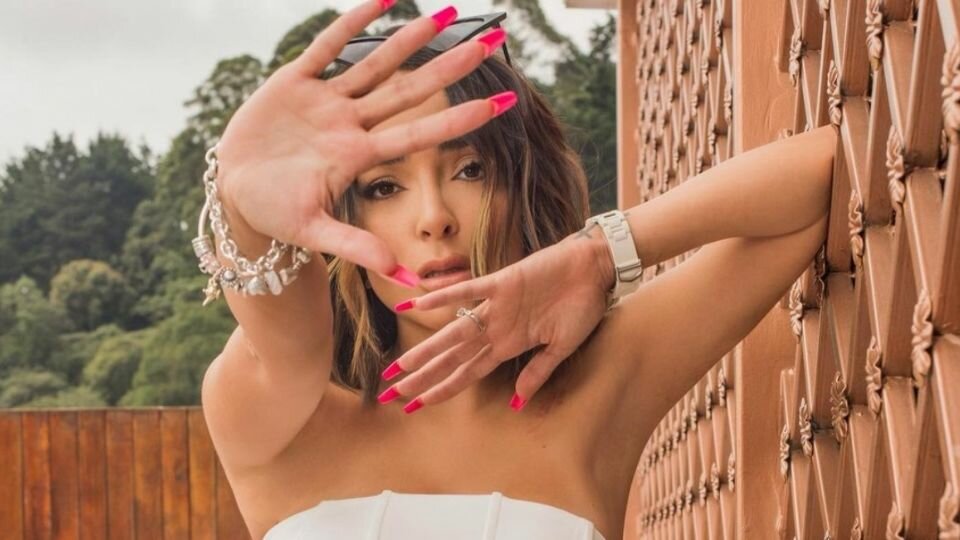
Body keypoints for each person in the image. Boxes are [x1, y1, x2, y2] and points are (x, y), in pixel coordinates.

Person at [197, 1, 838, 538]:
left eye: (471, 170)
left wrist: (597, 254)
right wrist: (241, 203)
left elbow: (822, 173)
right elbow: (284, 336)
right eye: (384, 188)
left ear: (521, 189)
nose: (434, 218)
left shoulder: (604, 382)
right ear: (344, 220)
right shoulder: (281, 418)